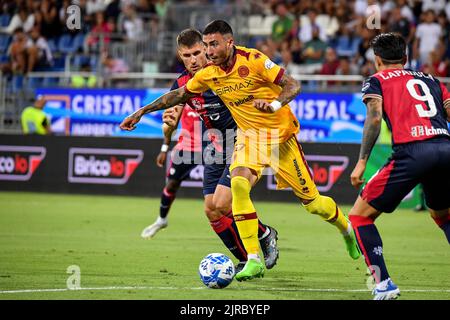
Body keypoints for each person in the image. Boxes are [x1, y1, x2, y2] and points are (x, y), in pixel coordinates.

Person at [120, 20, 360, 282]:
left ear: (229, 42)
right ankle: (253, 260)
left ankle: (347, 229)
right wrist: (141, 112)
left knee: (314, 205)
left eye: (212, 45)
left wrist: (274, 105)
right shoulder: (207, 75)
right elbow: (175, 97)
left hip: (279, 138)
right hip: (247, 138)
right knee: (236, 187)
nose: (208, 52)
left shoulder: (254, 60)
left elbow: (293, 85)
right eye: (206, 46)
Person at [139, 29, 280, 272]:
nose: (193, 60)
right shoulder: (184, 83)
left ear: (206, 49)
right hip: (215, 145)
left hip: (242, 142)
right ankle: (245, 259)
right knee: (212, 210)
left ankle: (265, 235)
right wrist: (167, 127)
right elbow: (172, 111)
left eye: (196, 53)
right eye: (186, 55)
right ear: (180, 56)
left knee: (224, 203)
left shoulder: (226, 72)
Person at [349, 33, 450, 300]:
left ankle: (383, 284)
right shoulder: (431, 80)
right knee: (443, 215)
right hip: (444, 148)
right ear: (405, 58)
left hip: (412, 152)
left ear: (377, 59)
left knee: (359, 216)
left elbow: (374, 117)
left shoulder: (376, 80)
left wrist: (361, 163)